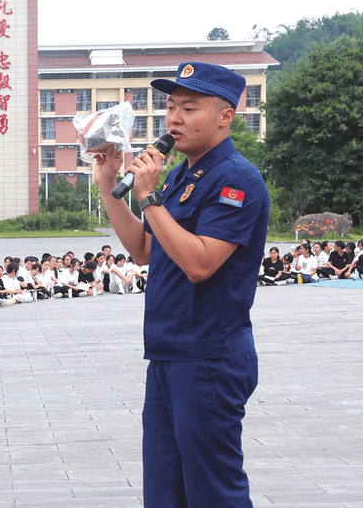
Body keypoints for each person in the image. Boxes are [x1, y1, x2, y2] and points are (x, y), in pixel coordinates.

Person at [94, 62, 268, 507]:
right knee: (166, 490)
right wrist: (108, 184)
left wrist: (150, 198)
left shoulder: (235, 178)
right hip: (171, 352)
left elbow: (201, 264)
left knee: (214, 492)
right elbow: (145, 251)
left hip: (209, 355)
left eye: (189, 108)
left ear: (225, 116)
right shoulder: (182, 174)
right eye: (171, 107)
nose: (173, 119)